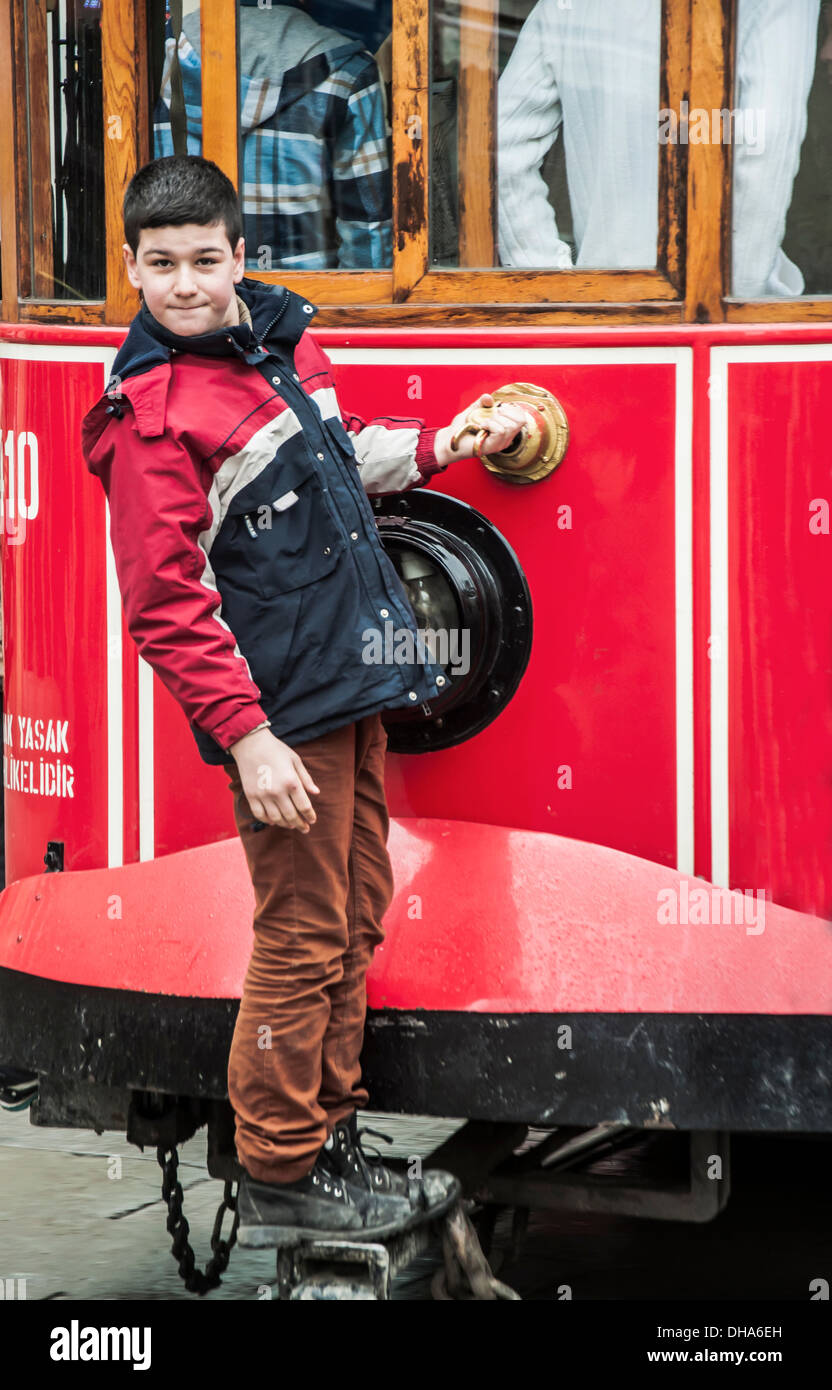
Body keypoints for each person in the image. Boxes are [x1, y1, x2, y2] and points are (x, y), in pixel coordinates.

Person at [80, 155, 526, 1242]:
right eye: (160, 265)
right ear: (132, 269)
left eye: (204, 260)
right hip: (282, 716)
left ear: (240, 256)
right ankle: (283, 1165)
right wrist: (248, 742)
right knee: (300, 931)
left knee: (354, 912)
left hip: (346, 683)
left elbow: (336, 461)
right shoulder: (152, 415)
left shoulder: (279, 341)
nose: (184, 284)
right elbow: (164, 604)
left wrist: (437, 446)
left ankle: (325, 1136)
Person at [497, 0, 820, 297]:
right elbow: (764, 136)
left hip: (606, 303)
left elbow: (502, 140)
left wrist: (554, 289)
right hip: (725, 318)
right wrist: (738, 294)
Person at [153, 0, 392, 270]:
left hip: (187, 296)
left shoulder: (156, 53)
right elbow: (366, 230)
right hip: (307, 299)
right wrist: (355, 307)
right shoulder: (349, 69)